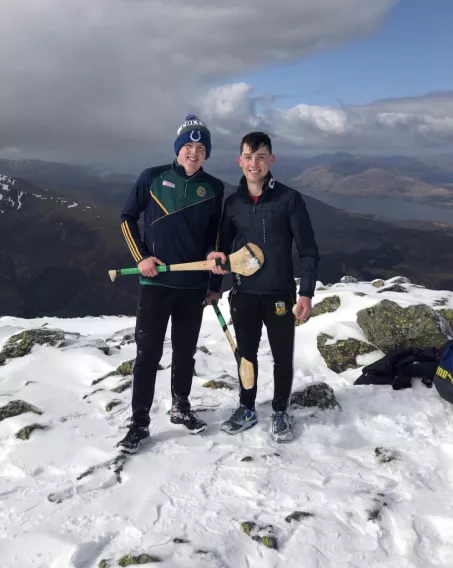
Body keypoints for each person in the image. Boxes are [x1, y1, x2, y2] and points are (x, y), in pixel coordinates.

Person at [117, 114, 224, 454]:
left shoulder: (215, 188)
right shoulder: (152, 178)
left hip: (192, 287)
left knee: (185, 353)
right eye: (188, 146)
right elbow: (126, 219)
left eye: (201, 148)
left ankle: (181, 406)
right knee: (148, 354)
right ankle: (139, 423)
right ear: (178, 149)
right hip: (156, 285)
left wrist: (214, 284)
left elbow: (214, 239)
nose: (194, 153)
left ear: (206, 154)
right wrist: (141, 258)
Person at [208, 131, 319, 443]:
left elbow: (308, 249)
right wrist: (215, 287)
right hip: (243, 294)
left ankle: (280, 411)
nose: (254, 163)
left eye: (260, 157)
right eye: (248, 156)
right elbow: (221, 253)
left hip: (280, 294)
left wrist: (307, 292)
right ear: (239, 160)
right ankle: (246, 407)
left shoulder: (289, 199)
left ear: (271, 160)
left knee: (282, 356)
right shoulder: (232, 205)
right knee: (246, 355)